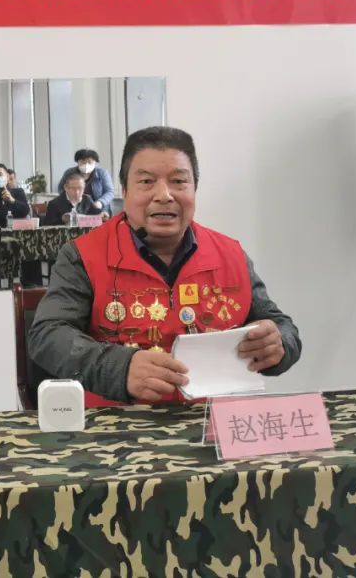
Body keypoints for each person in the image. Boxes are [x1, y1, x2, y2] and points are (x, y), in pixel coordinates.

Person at [29, 126, 301, 407]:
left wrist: (279, 342)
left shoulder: (230, 254)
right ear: (125, 191)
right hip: (117, 425)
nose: (164, 195)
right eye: (146, 182)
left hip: (215, 420)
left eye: (178, 181)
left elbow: (281, 326)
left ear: (194, 189)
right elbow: (48, 335)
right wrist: (119, 368)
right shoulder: (83, 256)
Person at [57, 149, 116, 216]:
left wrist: (100, 202)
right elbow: (61, 189)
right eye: (82, 162)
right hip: (76, 209)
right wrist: (70, 200)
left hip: (100, 209)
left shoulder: (102, 173)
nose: (86, 165)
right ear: (77, 162)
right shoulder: (69, 173)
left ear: (96, 163)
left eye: (89, 162)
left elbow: (110, 191)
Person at [43, 170, 108, 226]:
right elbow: (48, 225)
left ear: (84, 187)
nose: (77, 192)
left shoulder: (87, 199)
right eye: (73, 188)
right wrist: (62, 220)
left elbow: (97, 213)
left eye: (80, 188)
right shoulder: (54, 204)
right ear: (66, 188)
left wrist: (103, 214)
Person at [0, 162, 30, 228]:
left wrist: (12, 200)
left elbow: (25, 211)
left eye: (0, 174)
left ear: (7, 177)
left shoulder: (18, 192)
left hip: (14, 231)